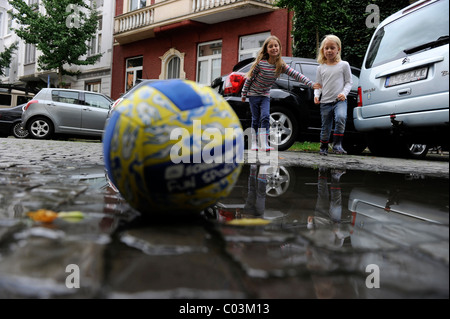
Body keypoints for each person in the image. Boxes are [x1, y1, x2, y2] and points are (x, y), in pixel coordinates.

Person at [241, 35, 321, 151]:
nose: (274, 48)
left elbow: (296, 75)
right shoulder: (260, 64)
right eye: (271, 46)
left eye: (276, 45)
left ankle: (264, 144)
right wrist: (244, 93)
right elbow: (249, 79)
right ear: (266, 50)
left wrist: (311, 84)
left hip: (265, 95)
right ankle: (254, 142)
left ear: (279, 48)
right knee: (256, 118)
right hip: (254, 95)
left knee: (265, 117)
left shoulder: (280, 65)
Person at [314, 35, 353, 155]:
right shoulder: (321, 68)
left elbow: (349, 82)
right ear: (323, 50)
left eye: (332, 48)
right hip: (325, 102)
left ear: (338, 49)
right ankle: (323, 146)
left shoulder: (344, 65)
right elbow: (318, 85)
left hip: (339, 101)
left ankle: (337, 145)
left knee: (341, 118)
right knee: (326, 125)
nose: (329, 50)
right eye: (326, 48)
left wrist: (344, 93)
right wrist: (316, 95)